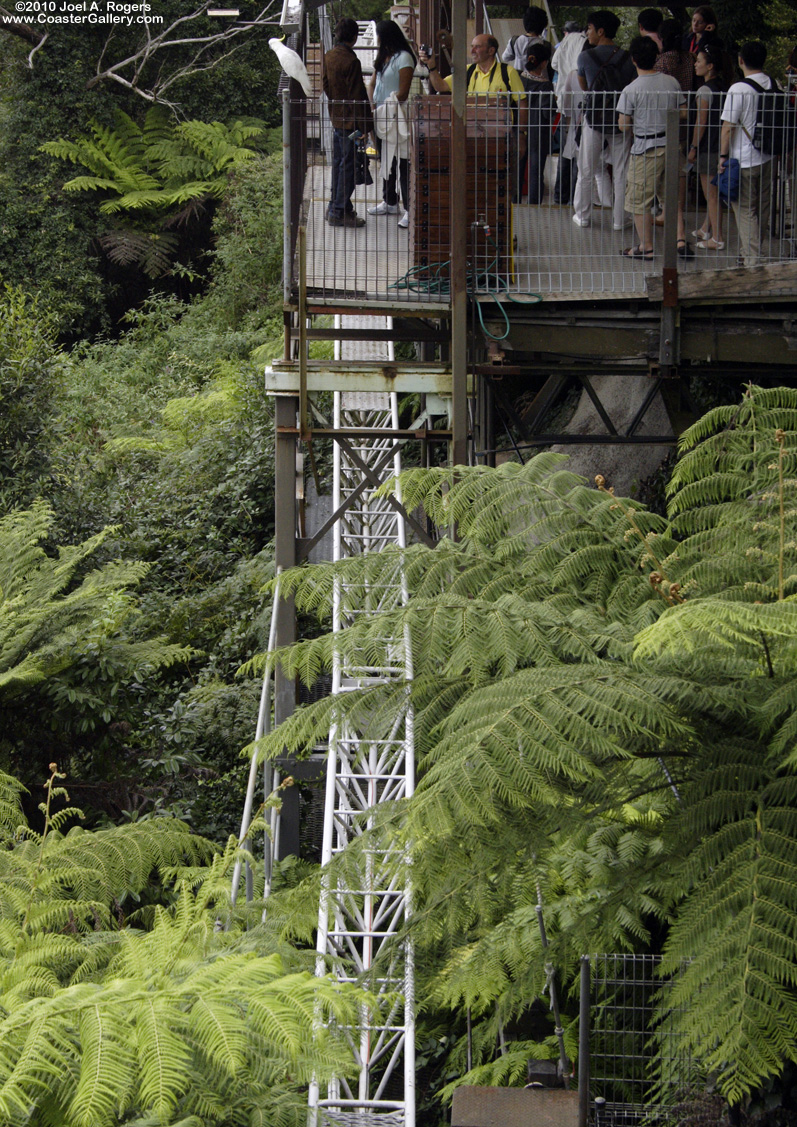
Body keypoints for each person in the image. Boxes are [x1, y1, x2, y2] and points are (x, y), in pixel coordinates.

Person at [617, 36, 684, 257]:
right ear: (657, 57)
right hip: (672, 145)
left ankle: (646, 247)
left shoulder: (631, 89)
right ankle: (680, 241)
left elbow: (623, 125)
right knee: (670, 195)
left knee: (638, 199)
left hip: (646, 148)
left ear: (633, 59)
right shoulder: (671, 82)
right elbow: (683, 112)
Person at [572, 10, 636, 231]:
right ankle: (619, 220)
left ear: (600, 31)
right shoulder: (627, 57)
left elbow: (584, 86)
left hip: (594, 118)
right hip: (621, 117)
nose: (587, 33)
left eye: (589, 28)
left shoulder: (585, 57)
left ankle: (583, 216)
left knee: (587, 169)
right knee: (621, 171)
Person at [719, 41, 777, 267]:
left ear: (740, 60)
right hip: (767, 156)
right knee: (762, 208)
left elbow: (727, 127)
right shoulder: (773, 83)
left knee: (744, 210)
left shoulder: (738, 89)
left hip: (742, 159)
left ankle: (753, 261)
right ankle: (748, 251)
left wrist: (722, 158)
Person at [323, 18, 373, 228]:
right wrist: (365, 126)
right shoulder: (352, 61)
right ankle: (339, 210)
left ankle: (335, 205)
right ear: (354, 37)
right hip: (352, 122)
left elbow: (325, 85)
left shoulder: (329, 56)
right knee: (349, 166)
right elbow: (358, 96)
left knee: (338, 164)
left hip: (337, 117)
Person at [368, 20, 415, 229]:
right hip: (380, 114)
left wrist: (386, 105)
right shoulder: (383, 58)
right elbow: (372, 83)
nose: (377, 39)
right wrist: (372, 107)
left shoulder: (404, 58)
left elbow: (403, 92)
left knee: (402, 161)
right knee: (385, 157)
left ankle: (409, 208)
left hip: (396, 115)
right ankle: (389, 200)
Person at [687, 42, 728, 249]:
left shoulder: (704, 90)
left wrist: (693, 147)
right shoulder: (724, 87)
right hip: (722, 144)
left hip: (707, 147)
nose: (695, 64)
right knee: (715, 192)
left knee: (710, 194)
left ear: (710, 66)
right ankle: (705, 227)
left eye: (699, 61)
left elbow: (700, 122)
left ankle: (717, 238)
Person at [552, 21, 588, 203]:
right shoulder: (584, 40)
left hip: (563, 98)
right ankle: (574, 195)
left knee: (566, 150)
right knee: (579, 149)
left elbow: (554, 63)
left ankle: (560, 195)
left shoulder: (564, 42)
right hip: (580, 96)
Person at [521, 41, 555, 204]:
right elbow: (548, 112)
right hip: (538, 132)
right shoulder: (546, 86)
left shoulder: (518, 80)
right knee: (536, 170)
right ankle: (534, 205)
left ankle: (514, 201)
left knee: (517, 167)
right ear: (544, 63)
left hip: (518, 129)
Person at [502, 6, 548, 75]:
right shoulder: (546, 45)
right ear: (543, 25)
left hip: (518, 81)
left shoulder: (514, 41)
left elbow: (505, 58)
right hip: (539, 83)